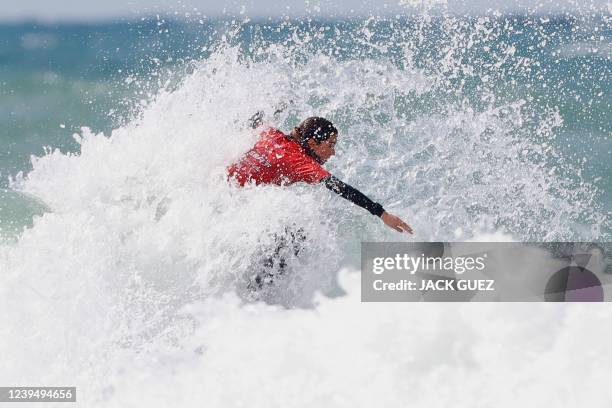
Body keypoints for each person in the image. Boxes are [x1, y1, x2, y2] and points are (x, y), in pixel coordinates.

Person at [228, 115, 413, 290]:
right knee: (296, 236)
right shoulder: (300, 161)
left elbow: (256, 120)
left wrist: (278, 106)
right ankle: (257, 293)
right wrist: (382, 213)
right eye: (330, 145)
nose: (333, 152)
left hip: (222, 193)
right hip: (235, 207)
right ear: (312, 143)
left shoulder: (272, 135)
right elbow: (341, 188)